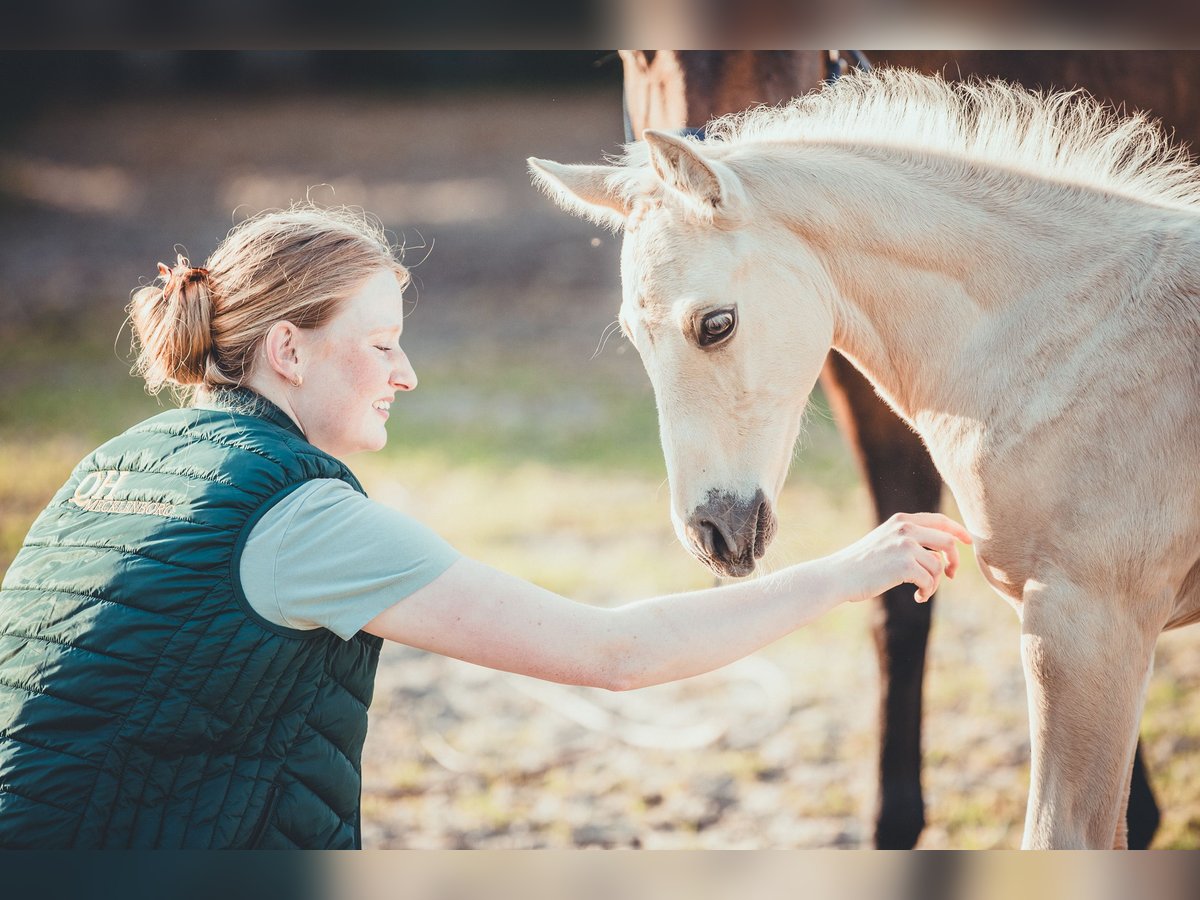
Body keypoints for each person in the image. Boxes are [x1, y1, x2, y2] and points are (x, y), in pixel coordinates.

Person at [0, 204, 971, 849]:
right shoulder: (298, 519)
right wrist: (855, 567)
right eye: (380, 344)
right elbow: (617, 652)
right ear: (287, 351)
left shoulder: (115, 464)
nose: (405, 372)